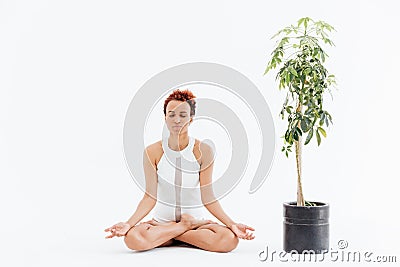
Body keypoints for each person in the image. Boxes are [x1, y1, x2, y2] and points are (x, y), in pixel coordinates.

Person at [104, 89, 255, 252]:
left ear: (191, 119)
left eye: (183, 115)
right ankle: (183, 229)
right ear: (165, 118)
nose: (177, 120)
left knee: (229, 240)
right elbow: (149, 197)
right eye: (172, 114)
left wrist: (232, 224)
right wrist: (128, 224)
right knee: (132, 239)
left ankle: (170, 236)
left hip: (196, 225)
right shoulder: (152, 152)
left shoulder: (203, 150)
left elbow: (208, 196)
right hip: (160, 223)